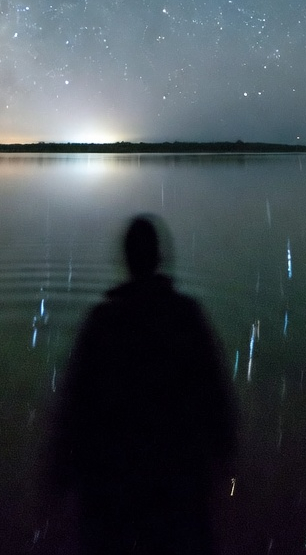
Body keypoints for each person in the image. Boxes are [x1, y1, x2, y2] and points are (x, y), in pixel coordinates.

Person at [49, 215, 237, 555]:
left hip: (113, 492)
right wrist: (223, 460)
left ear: (127, 260)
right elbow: (216, 399)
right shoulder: (187, 317)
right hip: (178, 489)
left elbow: (76, 408)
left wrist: (58, 477)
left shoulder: (103, 323)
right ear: (159, 257)